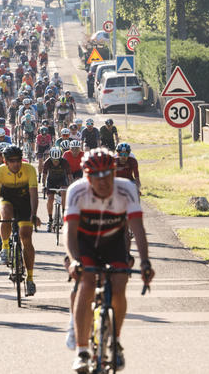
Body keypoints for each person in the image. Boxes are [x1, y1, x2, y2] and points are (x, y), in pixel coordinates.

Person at [64, 148, 154, 372]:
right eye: (96, 176)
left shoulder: (127, 189)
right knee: (86, 283)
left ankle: (115, 339)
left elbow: (138, 229)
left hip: (114, 243)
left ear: (115, 173)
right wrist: (75, 260)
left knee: (120, 285)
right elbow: (69, 230)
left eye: (108, 175)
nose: (103, 181)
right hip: (84, 243)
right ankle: (83, 351)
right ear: (87, 177)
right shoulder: (77, 191)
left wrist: (145, 262)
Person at [0, 145, 41, 296]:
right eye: (12, 161)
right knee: (4, 215)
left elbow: (33, 194)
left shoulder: (29, 169)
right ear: (5, 162)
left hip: (25, 203)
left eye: (18, 160)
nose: (16, 164)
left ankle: (30, 279)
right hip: (7, 200)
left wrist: (34, 214)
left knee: (26, 237)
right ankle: (5, 246)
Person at [42, 146, 72, 231]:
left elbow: (70, 176)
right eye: (53, 160)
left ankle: (63, 213)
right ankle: (50, 220)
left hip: (62, 181)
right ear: (51, 158)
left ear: (60, 158)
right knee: (50, 199)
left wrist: (71, 185)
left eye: (57, 160)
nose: (55, 162)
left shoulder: (65, 162)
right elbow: (44, 176)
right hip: (51, 181)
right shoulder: (47, 162)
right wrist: (43, 186)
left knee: (64, 193)